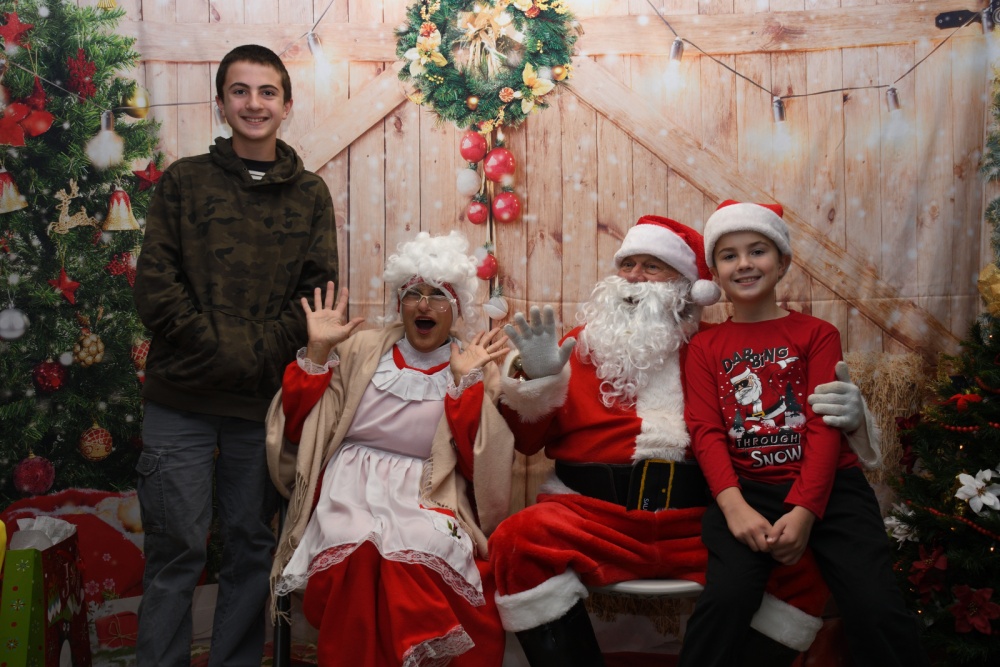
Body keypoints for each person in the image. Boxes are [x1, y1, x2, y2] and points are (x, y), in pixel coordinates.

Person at [489, 215, 880, 666]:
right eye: (627, 264)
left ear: (686, 286)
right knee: (517, 543)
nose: (634, 277)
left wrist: (853, 418)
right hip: (593, 516)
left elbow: (782, 419)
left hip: (699, 521)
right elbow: (527, 443)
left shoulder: (722, 347)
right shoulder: (580, 345)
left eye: (652, 266)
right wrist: (537, 383)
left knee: (801, 565)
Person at [132, 44, 338, 666]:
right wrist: (226, 348)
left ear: (286, 105)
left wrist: (253, 354)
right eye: (240, 91)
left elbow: (317, 296)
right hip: (181, 400)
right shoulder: (184, 181)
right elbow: (156, 286)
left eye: (267, 92)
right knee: (176, 551)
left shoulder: (310, 194)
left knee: (251, 547)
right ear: (220, 103)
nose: (254, 103)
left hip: (261, 407)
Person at [677, 200, 928, 666]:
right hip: (747, 491)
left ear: (783, 262)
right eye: (729, 255)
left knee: (876, 607)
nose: (744, 263)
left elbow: (823, 425)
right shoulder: (704, 347)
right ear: (715, 273)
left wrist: (807, 511)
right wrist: (734, 508)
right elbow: (705, 431)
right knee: (725, 602)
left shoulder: (817, 334)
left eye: (757, 250)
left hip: (832, 489)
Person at [265, 231, 515, 667]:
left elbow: (481, 466)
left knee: (417, 549)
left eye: (438, 295)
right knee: (359, 549)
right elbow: (300, 426)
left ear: (456, 308)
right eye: (413, 293)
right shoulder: (361, 350)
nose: (423, 305)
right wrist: (318, 353)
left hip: (428, 491)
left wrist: (464, 385)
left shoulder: (474, 364)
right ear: (399, 302)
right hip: (349, 486)